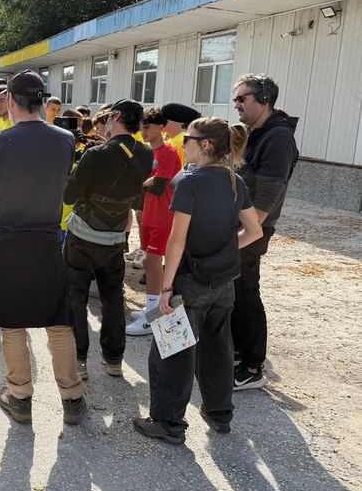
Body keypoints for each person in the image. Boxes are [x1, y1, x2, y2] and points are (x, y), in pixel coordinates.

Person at [0, 69, 87, 425]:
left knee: (12, 323)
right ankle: (72, 398)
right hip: (47, 240)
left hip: (8, 242)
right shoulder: (65, 139)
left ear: (10, 101)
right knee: (58, 321)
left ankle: (20, 397)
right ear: (42, 101)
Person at [133, 117, 263, 444]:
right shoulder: (234, 180)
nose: (183, 144)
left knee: (172, 351)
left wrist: (166, 287)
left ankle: (168, 423)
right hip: (223, 282)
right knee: (218, 348)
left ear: (205, 145)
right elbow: (254, 231)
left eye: (188, 139)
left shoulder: (191, 182)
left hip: (189, 281)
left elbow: (177, 240)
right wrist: (224, 250)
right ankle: (219, 414)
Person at [63, 99, 153, 379]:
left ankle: (79, 359)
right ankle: (114, 359)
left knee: (75, 297)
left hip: (83, 235)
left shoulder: (95, 154)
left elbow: (69, 195)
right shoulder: (145, 153)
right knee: (112, 298)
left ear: (116, 117)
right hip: (116, 236)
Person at [232, 74, 299, 390]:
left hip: (252, 230)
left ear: (264, 100)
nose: (236, 105)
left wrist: (243, 234)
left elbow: (269, 194)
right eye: (235, 99)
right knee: (234, 291)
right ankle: (238, 351)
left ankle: (252, 367)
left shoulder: (278, 138)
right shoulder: (254, 133)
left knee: (246, 294)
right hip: (239, 226)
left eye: (242, 99)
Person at [126, 107, 181, 336]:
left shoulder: (168, 152)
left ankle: (151, 317)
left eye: (147, 127)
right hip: (149, 214)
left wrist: (145, 182)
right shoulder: (149, 152)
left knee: (152, 262)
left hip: (163, 217)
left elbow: (158, 187)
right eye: (141, 128)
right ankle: (152, 309)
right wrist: (147, 181)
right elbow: (142, 182)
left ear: (160, 127)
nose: (143, 132)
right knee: (150, 263)